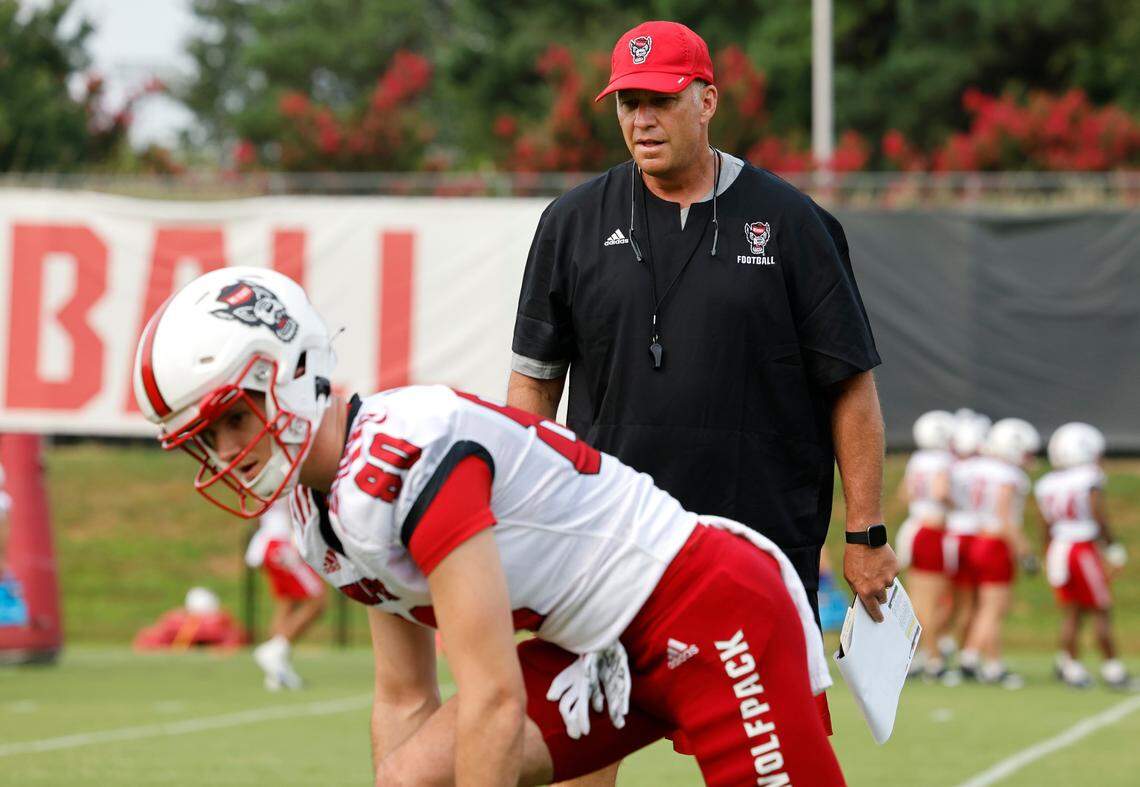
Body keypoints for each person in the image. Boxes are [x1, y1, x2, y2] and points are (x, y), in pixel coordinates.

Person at [132, 267, 845, 786]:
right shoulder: (319, 515)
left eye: (232, 418)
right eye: (204, 437)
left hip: (704, 605)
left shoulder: (409, 453)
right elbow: (404, 696)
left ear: (289, 371)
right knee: (412, 777)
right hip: (595, 649)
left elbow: (494, 697)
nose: (226, 452)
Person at [509, 23, 893, 780]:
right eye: (626, 104)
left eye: (659, 100)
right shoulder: (571, 222)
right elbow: (533, 384)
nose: (640, 120)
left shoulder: (794, 223)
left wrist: (866, 531)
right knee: (561, 757)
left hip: (755, 559)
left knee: (777, 768)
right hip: (607, 548)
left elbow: (850, 386)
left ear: (707, 99)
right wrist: (524, 518)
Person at [1035, 423, 1132, 690]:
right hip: (1081, 547)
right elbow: (1097, 514)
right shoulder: (1089, 476)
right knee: (1100, 609)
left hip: (1058, 548)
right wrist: (1112, 547)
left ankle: (1069, 665)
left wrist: (1046, 553)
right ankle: (1112, 669)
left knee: (1072, 612)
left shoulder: (1047, 482)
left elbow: (1045, 524)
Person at [951, 418, 1040, 688]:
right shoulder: (1008, 475)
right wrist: (1025, 550)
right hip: (994, 543)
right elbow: (1003, 517)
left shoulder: (977, 468)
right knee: (993, 608)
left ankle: (993, 665)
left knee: (984, 607)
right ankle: (969, 656)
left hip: (975, 538)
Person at [894, 410, 955, 680]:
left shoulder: (917, 460)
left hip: (914, 528)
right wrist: (957, 504)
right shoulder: (942, 461)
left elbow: (904, 494)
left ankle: (915, 656)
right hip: (932, 531)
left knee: (918, 600)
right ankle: (933, 658)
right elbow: (941, 492)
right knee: (931, 601)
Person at [245, 497, 327, 690]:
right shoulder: (283, 469)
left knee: (286, 603)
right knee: (317, 600)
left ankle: (277, 671)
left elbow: (257, 510)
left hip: (267, 542)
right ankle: (276, 650)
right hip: (282, 543)